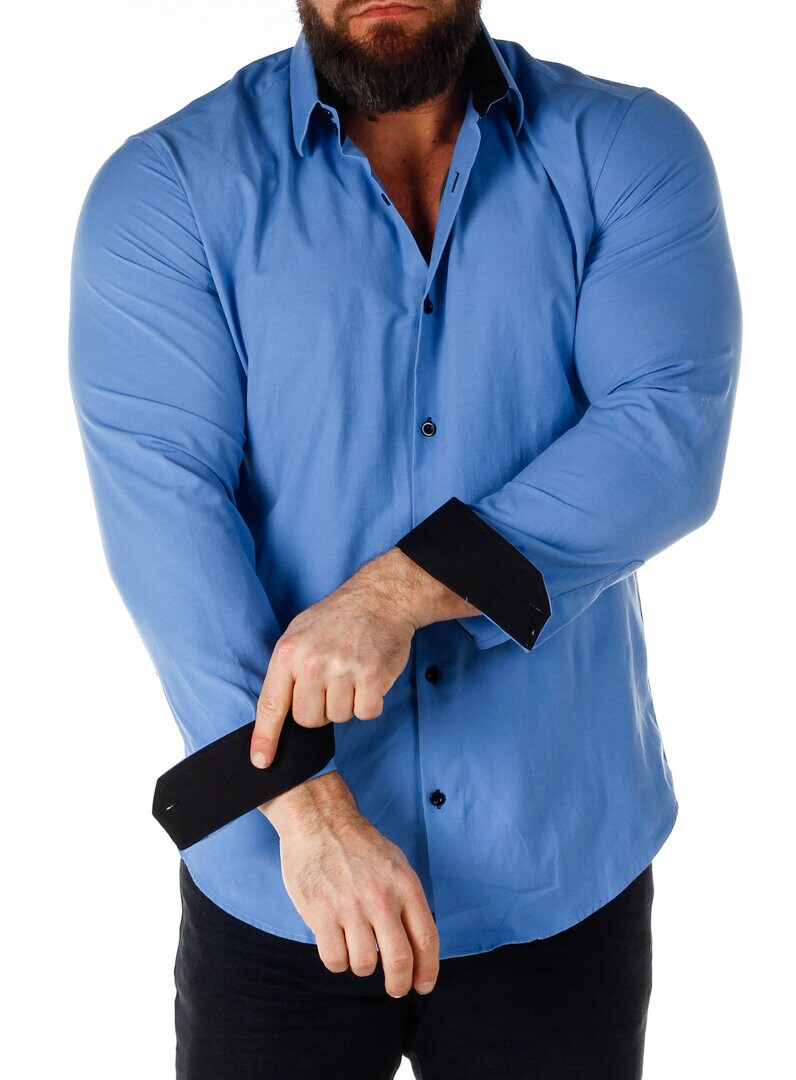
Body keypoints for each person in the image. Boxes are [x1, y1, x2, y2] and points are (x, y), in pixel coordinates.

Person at [68, 1, 742, 1076]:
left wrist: (400, 589)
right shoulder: (168, 190)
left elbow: (665, 434)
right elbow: (167, 522)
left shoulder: (628, 150)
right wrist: (304, 810)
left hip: (558, 865)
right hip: (285, 878)